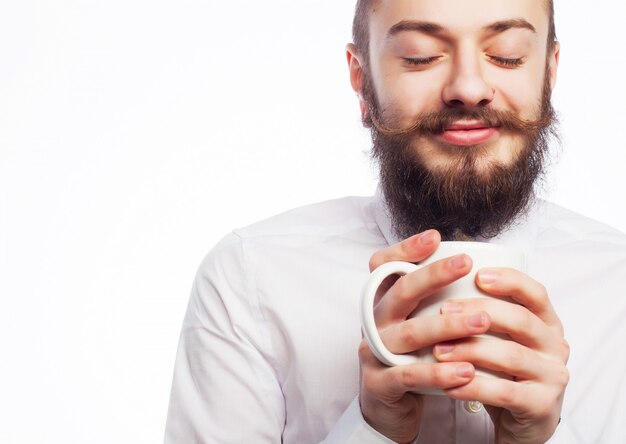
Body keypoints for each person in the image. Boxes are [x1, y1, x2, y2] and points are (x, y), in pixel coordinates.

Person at [165, 1, 626, 442]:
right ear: (361, 80)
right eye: (420, 57)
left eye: (506, 57)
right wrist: (371, 428)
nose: (468, 87)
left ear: (549, 71)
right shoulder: (249, 280)